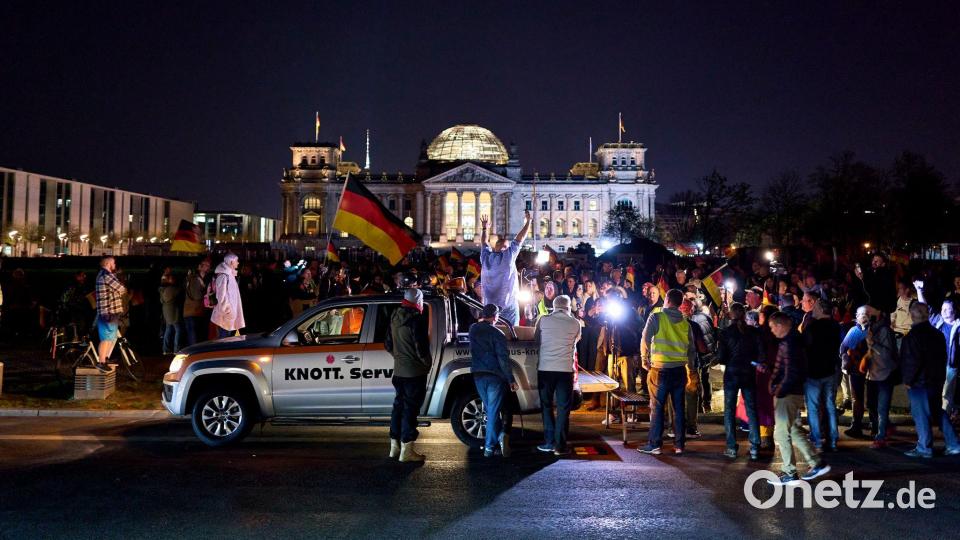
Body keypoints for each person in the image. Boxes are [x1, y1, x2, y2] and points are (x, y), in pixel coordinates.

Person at [767, 312, 831, 485]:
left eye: (772, 327)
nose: (772, 331)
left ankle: (789, 472)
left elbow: (791, 371)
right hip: (793, 392)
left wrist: (779, 389)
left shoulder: (790, 343)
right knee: (794, 429)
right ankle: (816, 463)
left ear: (780, 325)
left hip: (787, 394)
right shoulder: (795, 340)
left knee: (781, 433)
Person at [638, 289, 698, 456]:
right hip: (680, 371)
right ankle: (679, 445)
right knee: (679, 408)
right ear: (679, 303)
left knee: (657, 407)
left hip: (660, 370)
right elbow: (691, 350)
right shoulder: (686, 323)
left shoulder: (656, 317)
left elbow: (645, 339)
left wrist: (644, 359)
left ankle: (655, 444)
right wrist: (691, 368)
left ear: (666, 300)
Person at [900, 302, 960, 458]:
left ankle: (924, 447)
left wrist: (907, 380)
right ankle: (953, 443)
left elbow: (913, 361)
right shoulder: (938, 334)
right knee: (937, 412)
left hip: (919, 383)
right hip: (936, 380)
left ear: (912, 315)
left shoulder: (912, 337)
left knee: (921, 414)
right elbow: (943, 357)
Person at [384, 288, 432, 462]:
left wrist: (399, 357)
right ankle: (407, 450)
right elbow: (421, 348)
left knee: (398, 407)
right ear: (418, 300)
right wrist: (427, 364)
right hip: (414, 373)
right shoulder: (417, 319)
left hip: (399, 371)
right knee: (410, 410)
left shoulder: (395, 316)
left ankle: (394, 447)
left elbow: (387, 344)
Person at [469, 304, 519, 457]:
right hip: (494, 376)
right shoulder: (498, 334)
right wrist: (510, 379)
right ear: (495, 316)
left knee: (491, 410)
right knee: (493, 411)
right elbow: (503, 360)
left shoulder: (473, 329)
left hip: (478, 375)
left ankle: (497, 440)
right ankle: (490, 447)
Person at [534, 294, 581, 455]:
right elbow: (575, 342)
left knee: (546, 406)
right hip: (565, 371)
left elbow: (536, 341)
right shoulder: (575, 323)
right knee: (563, 408)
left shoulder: (543, 320)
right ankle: (560, 446)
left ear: (553, 307)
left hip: (545, 370)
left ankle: (548, 442)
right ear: (568, 308)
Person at [717, 303, 761, 460]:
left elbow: (721, 358)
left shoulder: (725, 333)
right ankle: (755, 446)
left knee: (729, 410)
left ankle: (731, 447)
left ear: (731, 315)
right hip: (748, 373)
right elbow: (759, 354)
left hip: (732, 374)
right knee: (751, 409)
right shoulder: (754, 332)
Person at [478, 211, 531, 326]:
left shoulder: (486, 257)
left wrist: (484, 229)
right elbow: (519, 239)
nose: (506, 249)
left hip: (490, 307)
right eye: (506, 247)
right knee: (512, 337)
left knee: (491, 336)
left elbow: (484, 242)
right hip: (508, 307)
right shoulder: (508, 256)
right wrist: (528, 223)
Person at [803, 298, 842, 451]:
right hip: (830, 370)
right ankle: (833, 439)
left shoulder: (812, 327)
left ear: (820, 309)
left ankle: (817, 438)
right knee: (830, 405)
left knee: (813, 407)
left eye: (816, 306)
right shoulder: (835, 326)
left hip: (813, 372)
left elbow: (805, 347)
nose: (813, 309)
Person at [861, 306, 898, 448]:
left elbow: (887, 354)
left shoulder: (884, 330)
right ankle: (885, 428)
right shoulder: (871, 328)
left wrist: (873, 344)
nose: (868, 312)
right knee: (871, 405)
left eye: (871, 309)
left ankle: (881, 436)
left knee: (882, 407)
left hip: (884, 373)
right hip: (873, 373)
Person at [840, 306, 870, 438]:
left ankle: (860, 425)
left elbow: (844, 349)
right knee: (859, 398)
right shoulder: (857, 330)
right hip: (862, 368)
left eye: (865, 314)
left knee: (861, 398)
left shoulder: (861, 330)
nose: (863, 316)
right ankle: (860, 425)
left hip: (864, 368)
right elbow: (844, 349)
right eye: (861, 314)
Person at [94, 256, 126, 372]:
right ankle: (101, 362)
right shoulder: (107, 276)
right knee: (106, 338)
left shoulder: (103, 275)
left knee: (109, 338)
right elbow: (122, 289)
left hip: (108, 312)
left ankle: (104, 360)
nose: (115, 265)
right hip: (109, 312)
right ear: (107, 263)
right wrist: (120, 280)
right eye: (113, 263)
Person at [210, 253, 245, 338]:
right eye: (236, 261)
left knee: (226, 339)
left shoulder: (230, 275)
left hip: (229, 315)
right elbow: (221, 296)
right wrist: (228, 311)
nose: (238, 263)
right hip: (226, 315)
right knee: (224, 340)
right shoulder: (224, 276)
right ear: (231, 262)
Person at [183, 260, 210, 346]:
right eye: (206, 265)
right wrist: (207, 292)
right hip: (193, 312)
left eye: (209, 265)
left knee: (196, 336)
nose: (208, 267)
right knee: (193, 338)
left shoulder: (198, 279)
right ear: (200, 266)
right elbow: (196, 296)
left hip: (195, 311)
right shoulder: (195, 279)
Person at [159, 271, 183, 354]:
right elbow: (180, 290)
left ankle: (166, 349)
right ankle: (176, 349)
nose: (173, 279)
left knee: (168, 329)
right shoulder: (171, 289)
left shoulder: (162, 289)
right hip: (173, 311)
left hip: (166, 311)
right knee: (178, 329)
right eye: (170, 278)